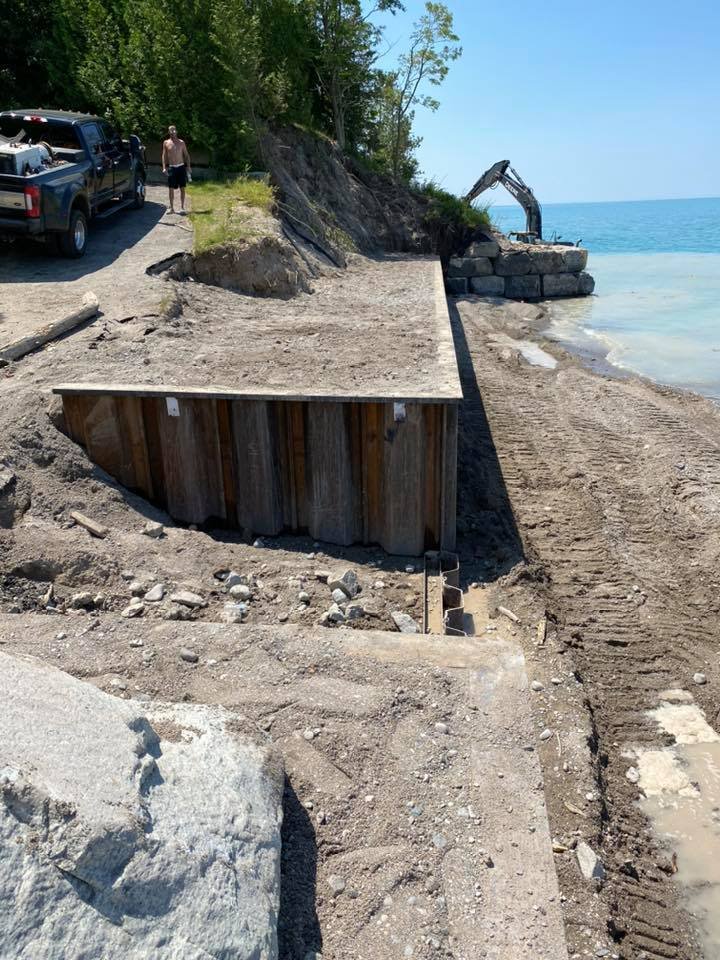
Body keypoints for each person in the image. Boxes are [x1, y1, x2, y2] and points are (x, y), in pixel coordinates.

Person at [161, 125, 192, 214]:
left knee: (182, 188)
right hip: (171, 167)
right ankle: (172, 208)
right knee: (171, 188)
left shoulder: (181, 142)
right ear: (169, 132)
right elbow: (164, 155)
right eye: (171, 130)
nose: (173, 132)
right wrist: (164, 167)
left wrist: (188, 166)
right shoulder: (166, 142)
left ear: (176, 131)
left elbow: (186, 155)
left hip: (181, 167)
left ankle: (182, 207)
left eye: (174, 130)